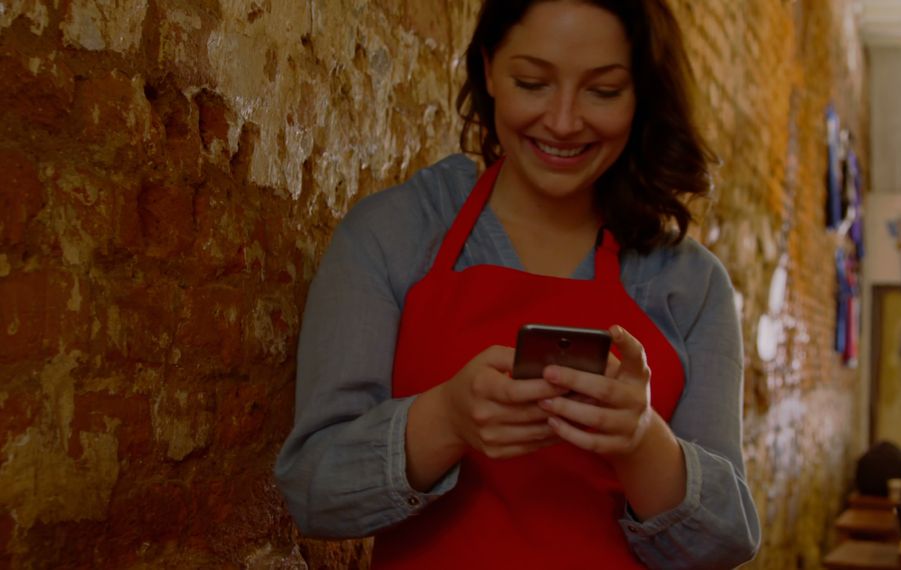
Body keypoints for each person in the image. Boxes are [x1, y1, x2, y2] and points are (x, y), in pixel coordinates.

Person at [274, 0, 761, 567]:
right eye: (532, 82)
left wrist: (641, 442)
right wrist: (446, 421)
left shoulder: (691, 283)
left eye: (602, 91)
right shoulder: (393, 235)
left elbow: (725, 542)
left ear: (641, 95)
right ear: (488, 69)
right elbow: (312, 492)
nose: (561, 121)